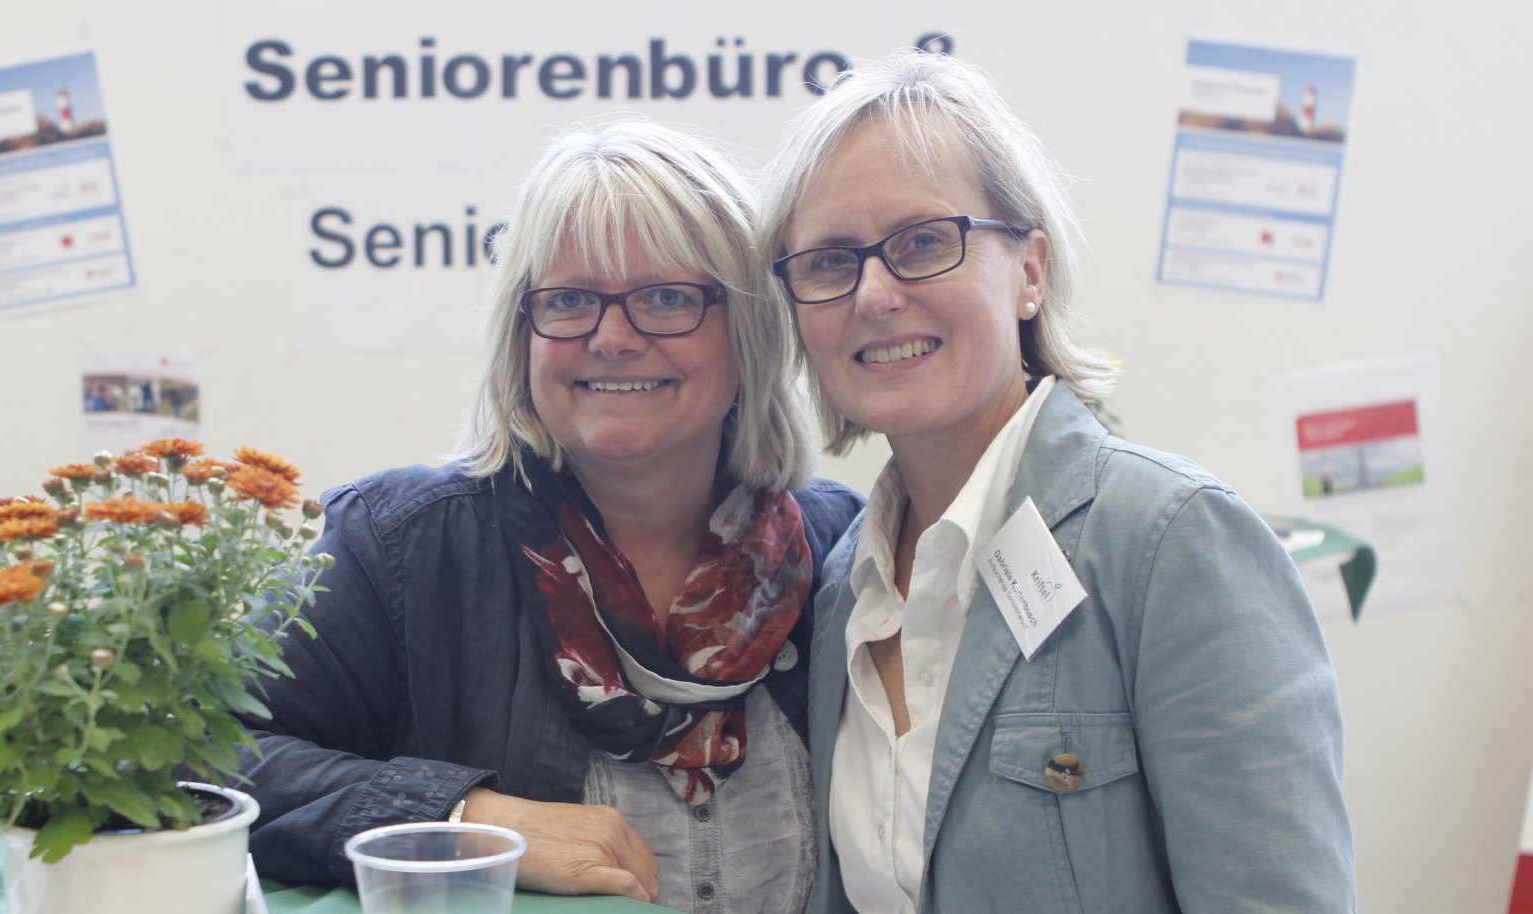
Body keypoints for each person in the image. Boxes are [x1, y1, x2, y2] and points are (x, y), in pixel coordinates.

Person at [758, 50, 1355, 913]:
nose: (875, 293)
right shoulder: (841, 585)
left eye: (924, 242)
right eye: (828, 262)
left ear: (1029, 270)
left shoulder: (1171, 541)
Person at [242, 116, 864, 912]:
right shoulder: (403, 548)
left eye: (668, 297)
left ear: (749, 332)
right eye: (570, 299)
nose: (611, 337)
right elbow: (195, 753)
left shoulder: (844, 549)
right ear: (522, 334)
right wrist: (462, 820)